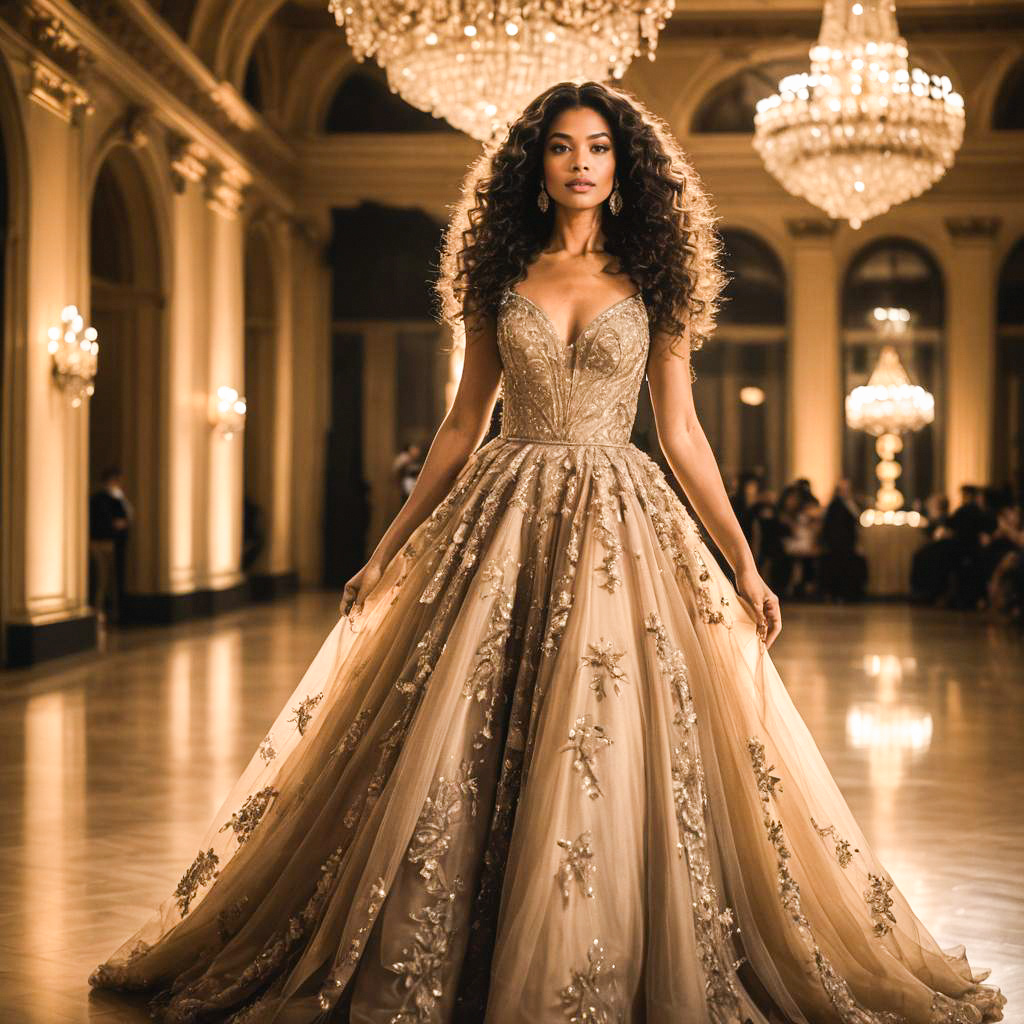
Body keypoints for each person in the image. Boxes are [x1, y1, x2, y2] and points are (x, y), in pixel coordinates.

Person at [88, 82, 1005, 1023]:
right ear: (537, 166)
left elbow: (682, 434)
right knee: (457, 727)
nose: (580, 162)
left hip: (620, 519)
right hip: (502, 511)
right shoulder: (500, 277)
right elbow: (459, 427)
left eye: (599, 147)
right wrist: (387, 548)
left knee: (610, 723)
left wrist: (743, 561)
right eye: (563, 147)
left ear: (622, 166)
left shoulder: (657, 285)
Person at [88, 465, 131, 624]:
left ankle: (112, 612)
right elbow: (109, 521)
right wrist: (115, 524)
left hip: (112, 544)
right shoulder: (99, 499)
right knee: (101, 579)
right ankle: (98, 612)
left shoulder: (117, 499)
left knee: (111, 580)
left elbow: (127, 516)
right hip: (100, 543)